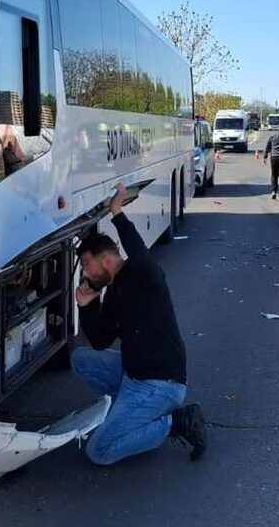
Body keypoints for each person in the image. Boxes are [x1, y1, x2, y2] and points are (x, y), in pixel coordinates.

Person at [72, 183, 207, 465]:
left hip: (160, 385)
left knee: (99, 452)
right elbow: (100, 340)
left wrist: (117, 213)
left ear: (106, 260)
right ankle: (132, 416)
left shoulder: (143, 275)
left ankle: (178, 422)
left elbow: (139, 253)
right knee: (81, 359)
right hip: (133, 375)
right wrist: (87, 305)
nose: (84, 273)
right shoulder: (112, 293)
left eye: (86, 265)